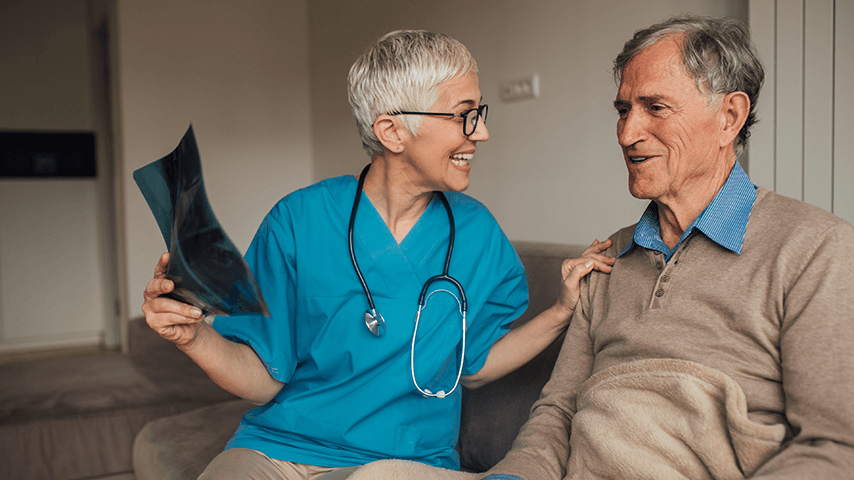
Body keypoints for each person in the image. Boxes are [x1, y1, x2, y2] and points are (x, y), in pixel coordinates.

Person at [141, 30, 613, 480]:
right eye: (464, 114)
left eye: (480, 112)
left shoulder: (477, 236)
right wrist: (192, 337)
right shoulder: (298, 221)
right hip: (277, 450)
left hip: (399, 461)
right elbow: (264, 379)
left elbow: (474, 367)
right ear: (392, 131)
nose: (482, 132)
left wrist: (561, 311)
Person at [476, 15, 854, 480]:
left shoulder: (816, 248)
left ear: (729, 118)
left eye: (655, 107)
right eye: (622, 110)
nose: (626, 133)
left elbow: (835, 447)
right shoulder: (610, 254)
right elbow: (557, 415)